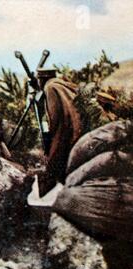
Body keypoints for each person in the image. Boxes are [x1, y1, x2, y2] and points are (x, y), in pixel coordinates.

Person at [36, 68, 83, 196]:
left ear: (41, 79)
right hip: (78, 126)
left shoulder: (50, 87)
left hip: (66, 127)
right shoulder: (62, 84)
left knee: (56, 157)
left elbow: (54, 115)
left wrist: (50, 136)